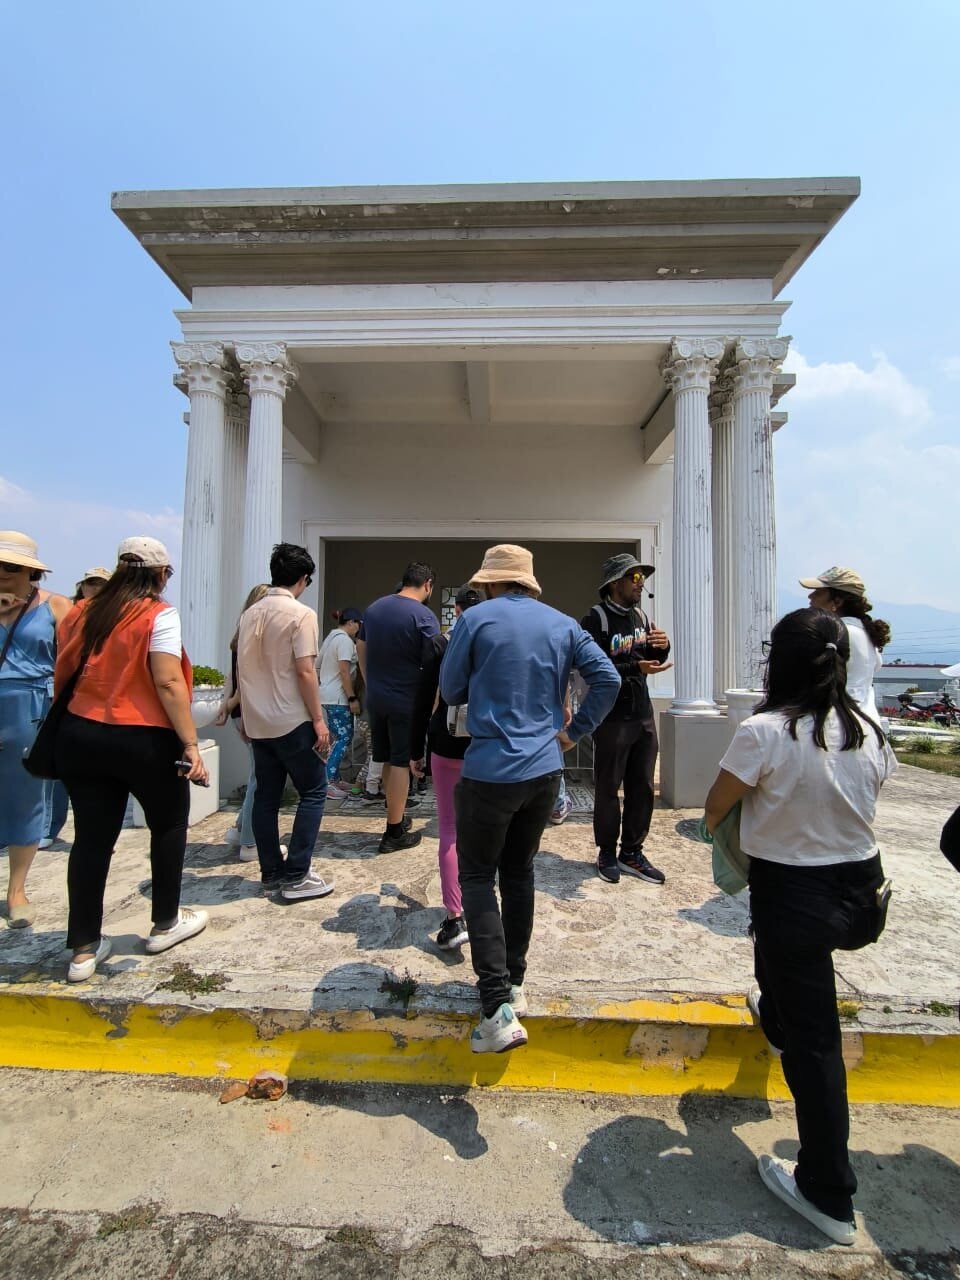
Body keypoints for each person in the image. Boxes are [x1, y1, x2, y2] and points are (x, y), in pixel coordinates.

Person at [704, 607, 896, 1246]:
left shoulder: (763, 731)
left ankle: (827, 1193)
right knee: (787, 980)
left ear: (777, 662)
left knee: (817, 1047)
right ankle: (777, 1018)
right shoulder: (872, 728)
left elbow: (715, 808)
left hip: (797, 896)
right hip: (863, 893)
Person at [440, 544, 620, 1053]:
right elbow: (605, 678)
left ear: (491, 583)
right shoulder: (563, 624)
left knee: (477, 877)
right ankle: (514, 982)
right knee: (519, 874)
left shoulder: (475, 620)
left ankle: (495, 1004)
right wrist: (573, 732)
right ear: (528, 582)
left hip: (490, 770)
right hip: (544, 771)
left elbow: (451, 689)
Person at [54, 536, 210, 981]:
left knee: (90, 840)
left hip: (81, 733)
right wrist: (192, 744)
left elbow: (62, 675)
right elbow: (167, 682)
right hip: (143, 736)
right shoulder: (157, 614)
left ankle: (83, 948)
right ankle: (164, 922)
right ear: (161, 574)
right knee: (168, 825)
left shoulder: (81, 612)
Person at [236, 542, 334, 902]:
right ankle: (296, 874)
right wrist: (319, 719)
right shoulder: (301, 614)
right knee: (314, 791)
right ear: (304, 579)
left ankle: (271, 871)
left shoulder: (250, 613)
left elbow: (242, 669)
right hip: (292, 718)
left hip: (259, 720)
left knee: (266, 797)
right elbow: (306, 671)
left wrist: (246, 715)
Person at [581, 553, 672, 885]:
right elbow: (591, 668)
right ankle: (607, 851)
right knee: (608, 788)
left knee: (643, 786)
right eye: (634, 578)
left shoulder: (641, 616)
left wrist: (663, 647)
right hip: (612, 718)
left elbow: (649, 657)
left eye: (642, 578)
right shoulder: (596, 619)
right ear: (615, 583)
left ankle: (632, 851)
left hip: (643, 715)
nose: (641, 583)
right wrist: (636, 668)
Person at [0, 532, 72, 925]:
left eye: (11, 567)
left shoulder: (55, 606)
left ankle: (16, 890)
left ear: (30, 571)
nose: (3, 574)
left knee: (25, 797)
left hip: (30, 705)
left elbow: (74, 661)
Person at [409, 584, 482, 951]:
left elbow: (422, 700)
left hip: (446, 743)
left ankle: (456, 917)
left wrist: (414, 750)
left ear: (455, 609)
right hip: (486, 747)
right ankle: (483, 909)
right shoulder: (492, 643)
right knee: (486, 832)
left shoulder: (439, 644)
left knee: (450, 831)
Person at [356, 562, 438, 853]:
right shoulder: (424, 616)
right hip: (407, 701)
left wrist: (370, 680)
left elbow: (360, 647)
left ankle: (397, 818)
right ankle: (393, 833)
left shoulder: (375, 608)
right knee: (402, 762)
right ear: (427, 584)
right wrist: (433, 704)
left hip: (377, 699)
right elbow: (433, 663)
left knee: (388, 760)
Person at [215, 584, 271, 861]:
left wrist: (227, 705)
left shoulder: (240, 635)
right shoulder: (253, 634)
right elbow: (245, 681)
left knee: (257, 775)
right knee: (260, 779)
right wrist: (235, 705)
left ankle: (240, 829)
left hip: (241, 713)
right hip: (250, 713)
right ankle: (250, 842)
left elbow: (232, 675)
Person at [800, 567, 890, 721]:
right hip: (867, 723)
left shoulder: (834, 633)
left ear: (838, 601)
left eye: (819, 592)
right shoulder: (865, 633)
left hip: (837, 725)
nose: (810, 596)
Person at [316, 607, 363, 799]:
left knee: (336, 739)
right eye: (358, 624)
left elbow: (317, 667)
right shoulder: (344, 641)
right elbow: (344, 671)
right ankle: (327, 781)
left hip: (326, 694)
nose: (359, 629)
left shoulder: (330, 639)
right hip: (338, 697)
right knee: (344, 738)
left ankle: (334, 779)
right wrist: (352, 697)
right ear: (351, 622)